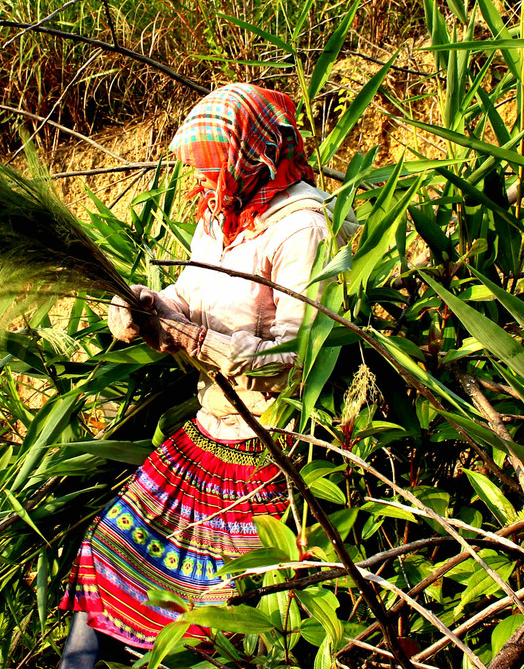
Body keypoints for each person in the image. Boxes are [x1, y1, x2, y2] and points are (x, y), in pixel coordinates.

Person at [57, 83, 355, 668]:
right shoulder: (217, 219)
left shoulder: (303, 227)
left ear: (253, 157)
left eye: (211, 167)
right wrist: (146, 305)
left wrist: (192, 338)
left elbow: (299, 357)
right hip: (209, 430)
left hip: (271, 444)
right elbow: (188, 295)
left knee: (218, 610)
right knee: (106, 548)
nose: (200, 181)